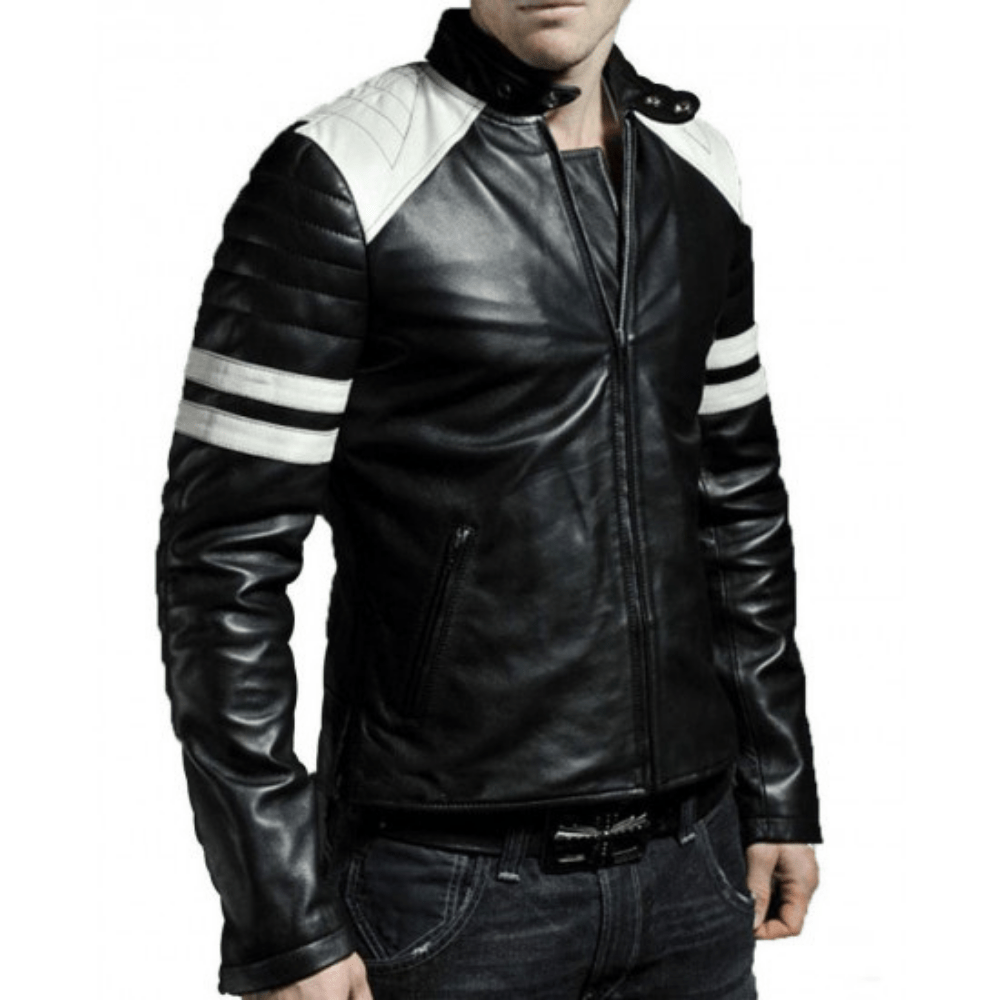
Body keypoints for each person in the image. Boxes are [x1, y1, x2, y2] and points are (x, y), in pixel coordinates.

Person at [156, 2, 822, 998]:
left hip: (696, 872)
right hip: (446, 894)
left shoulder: (699, 169)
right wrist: (278, 912)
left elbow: (737, 503)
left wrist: (775, 787)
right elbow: (221, 567)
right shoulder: (340, 174)